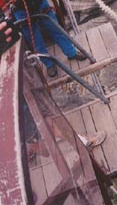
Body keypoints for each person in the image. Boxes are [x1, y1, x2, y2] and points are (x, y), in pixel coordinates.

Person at [0, 20, 106, 150]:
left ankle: (31, 149)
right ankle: (82, 143)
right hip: (8, 81)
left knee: (24, 120)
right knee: (40, 116)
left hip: (8, 80)